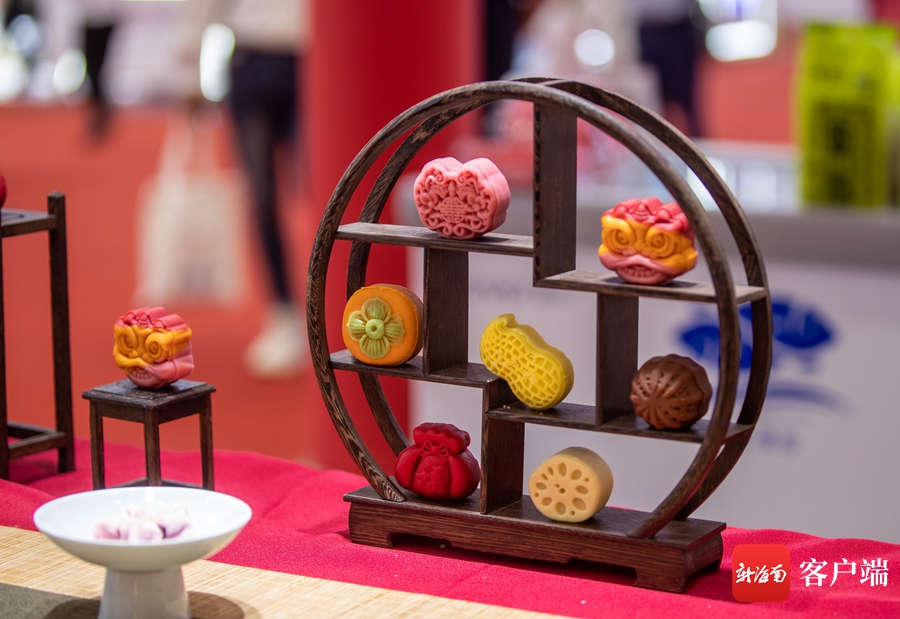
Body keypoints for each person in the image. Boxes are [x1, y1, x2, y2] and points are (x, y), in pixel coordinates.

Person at [179, 0, 309, 378]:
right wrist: (189, 74)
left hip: (313, 60)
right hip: (252, 62)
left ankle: (332, 309)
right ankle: (283, 315)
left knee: (324, 192)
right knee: (262, 198)